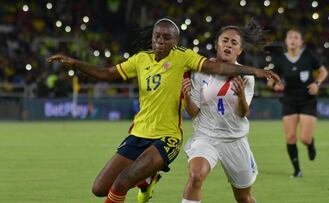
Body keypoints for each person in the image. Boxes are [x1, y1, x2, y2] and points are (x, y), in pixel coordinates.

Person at [47, 18, 279, 203]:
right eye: (157, 36)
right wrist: (75, 63)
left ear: (175, 41)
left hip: (168, 137)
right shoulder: (140, 60)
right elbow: (108, 74)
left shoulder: (184, 58)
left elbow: (217, 67)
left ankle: (144, 178)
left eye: (167, 37)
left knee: (122, 182)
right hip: (141, 133)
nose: (160, 41)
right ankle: (147, 181)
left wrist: (256, 72)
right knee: (99, 189)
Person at [180, 20, 263, 203]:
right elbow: (194, 113)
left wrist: (241, 95)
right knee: (195, 177)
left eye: (234, 43)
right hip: (206, 136)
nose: (228, 45)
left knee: (244, 197)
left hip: (234, 139)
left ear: (240, 50)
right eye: (225, 40)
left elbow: (242, 113)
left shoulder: (246, 75)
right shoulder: (200, 71)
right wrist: (186, 96)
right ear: (217, 44)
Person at [267, 29, 328, 178]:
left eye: (296, 37)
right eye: (290, 37)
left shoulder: (308, 56)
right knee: (290, 138)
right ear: (286, 41)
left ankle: (310, 143)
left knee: (305, 138)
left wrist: (317, 84)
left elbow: (323, 72)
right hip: (289, 100)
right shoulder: (280, 59)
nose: (293, 40)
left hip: (307, 100)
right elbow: (270, 80)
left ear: (301, 42)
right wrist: (275, 86)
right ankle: (297, 170)